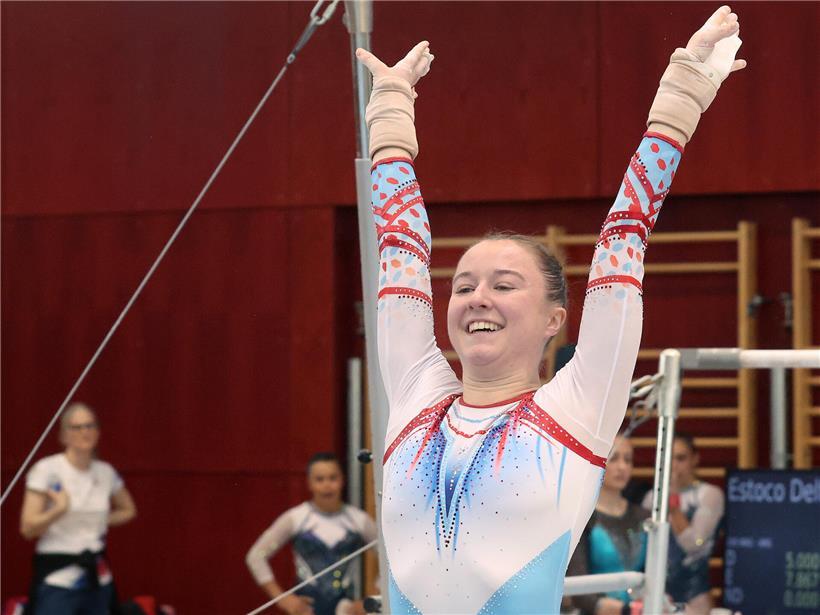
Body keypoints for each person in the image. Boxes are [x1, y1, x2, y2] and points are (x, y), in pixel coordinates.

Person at [355, 5, 745, 613]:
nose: (477, 296)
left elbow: (625, 238)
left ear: (554, 320)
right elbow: (401, 249)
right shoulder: (416, 396)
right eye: (462, 286)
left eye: (504, 285)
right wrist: (390, 112)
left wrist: (682, 94)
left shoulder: (577, 409)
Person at [20, 402, 137, 615]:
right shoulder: (47, 470)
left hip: (96, 575)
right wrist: (60, 509)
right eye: (77, 427)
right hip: (58, 577)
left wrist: (103, 520)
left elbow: (128, 510)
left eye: (90, 426)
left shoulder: (106, 472)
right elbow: (27, 528)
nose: (85, 432)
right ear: (64, 434)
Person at [245, 453, 377, 615]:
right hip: (307, 609)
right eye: (319, 479)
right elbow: (256, 556)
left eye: (332, 478)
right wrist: (283, 599)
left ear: (342, 480)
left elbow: (391, 559)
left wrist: (372, 598)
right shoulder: (295, 518)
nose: (327, 485)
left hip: (345, 609)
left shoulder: (358, 520)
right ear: (309, 483)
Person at [642, 434, 725, 614]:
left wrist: (672, 501)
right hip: (659, 596)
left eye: (680, 458)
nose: (674, 465)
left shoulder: (709, 495)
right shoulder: (651, 498)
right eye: (668, 458)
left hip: (695, 596)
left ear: (695, 459)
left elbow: (694, 544)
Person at [567, 435, 648, 615]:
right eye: (614, 458)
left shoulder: (643, 517)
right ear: (599, 462)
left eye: (628, 460)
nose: (622, 467)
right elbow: (578, 589)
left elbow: (658, 575)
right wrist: (625, 610)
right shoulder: (583, 517)